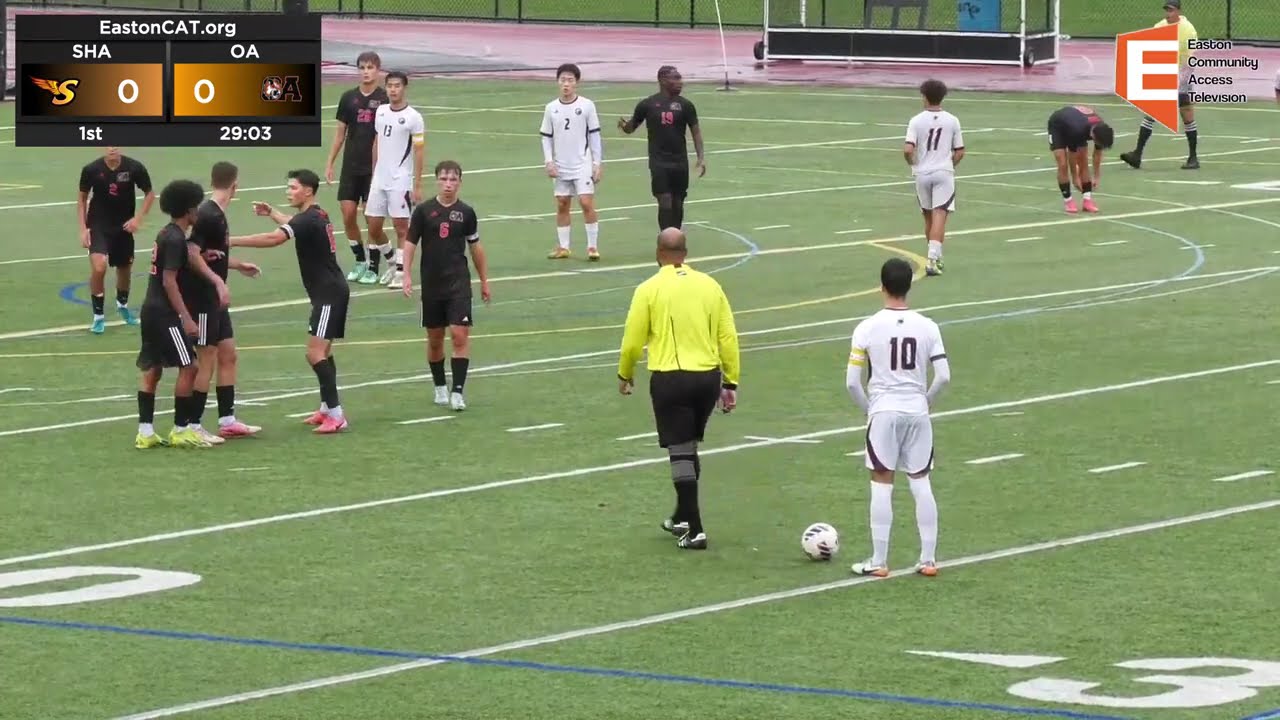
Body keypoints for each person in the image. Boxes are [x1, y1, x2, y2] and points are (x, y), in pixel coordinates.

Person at [616, 228, 740, 551]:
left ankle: (695, 529)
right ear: (686, 254)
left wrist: (625, 373)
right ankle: (681, 516)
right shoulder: (711, 285)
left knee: (680, 450)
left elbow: (632, 339)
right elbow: (728, 336)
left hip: (671, 377)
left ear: (658, 253)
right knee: (689, 445)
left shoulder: (649, 289)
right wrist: (730, 382)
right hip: (707, 379)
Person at [846, 258, 950, 578]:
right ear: (909, 286)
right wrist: (925, 401)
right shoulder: (928, 326)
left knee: (882, 481)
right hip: (917, 410)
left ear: (882, 287)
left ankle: (879, 560)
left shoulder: (866, 327)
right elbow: (943, 376)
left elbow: (852, 382)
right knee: (920, 480)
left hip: (884, 411)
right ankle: (928, 559)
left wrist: (870, 409)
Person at [230, 170, 351, 434]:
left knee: (314, 353)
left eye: (293, 187)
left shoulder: (308, 219)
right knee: (324, 352)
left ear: (308, 191)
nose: (288, 191)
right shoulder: (316, 214)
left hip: (329, 294)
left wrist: (230, 241)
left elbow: (275, 239)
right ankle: (326, 409)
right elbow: (294, 222)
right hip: (330, 291)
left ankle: (337, 414)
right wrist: (273, 213)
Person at [135, 179, 229, 450]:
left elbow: (173, 264)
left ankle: (146, 431)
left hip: (149, 310)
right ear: (188, 210)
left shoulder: (166, 234)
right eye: (195, 208)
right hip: (164, 313)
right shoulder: (176, 239)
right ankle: (180, 428)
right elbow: (168, 280)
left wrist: (203, 256)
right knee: (190, 366)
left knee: (153, 369)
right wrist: (186, 318)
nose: (197, 212)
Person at [401, 160, 491, 411]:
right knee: (435, 340)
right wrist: (405, 274)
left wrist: (484, 281)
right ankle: (439, 385)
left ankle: (458, 391)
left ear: (460, 182)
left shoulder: (467, 213)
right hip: (431, 284)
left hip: (458, 283)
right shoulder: (423, 211)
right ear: (437, 180)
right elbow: (409, 244)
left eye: (453, 180)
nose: (448, 184)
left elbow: (476, 248)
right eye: (444, 179)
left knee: (460, 334)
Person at [183, 161, 262, 444]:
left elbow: (211, 254)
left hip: (216, 299)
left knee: (229, 354)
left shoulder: (217, 214)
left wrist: (237, 265)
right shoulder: (208, 215)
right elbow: (192, 253)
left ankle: (227, 420)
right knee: (207, 360)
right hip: (204, 298)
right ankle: (192, 425)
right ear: (235, 185)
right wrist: (217, 282)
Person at [325, 51, 391, 284]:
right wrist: (330, 162)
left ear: (378, 70)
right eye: (362, 67)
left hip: (374, 169)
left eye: (370, 67)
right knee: (348, 215)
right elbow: (340, 133)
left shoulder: (385, 99)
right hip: (350, 167)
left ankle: (374, 266)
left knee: (370, 219)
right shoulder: (348, 98)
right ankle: (360, 260)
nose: (366, 72)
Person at [617, 66, 705, 231]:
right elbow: (632, 127)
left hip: (680, 162)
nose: (680, 82)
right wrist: (624, 126)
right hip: (659, 162)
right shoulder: (648, 104)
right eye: (676, 78)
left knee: (678, 202)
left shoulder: (686, 105)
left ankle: (675, 235)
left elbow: (696, 132)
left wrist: (701, 157)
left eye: (680, 78)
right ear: (663, 80)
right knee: (664, 200)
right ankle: (665, 236)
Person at [77, 147, 154, 334]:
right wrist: (83, 229)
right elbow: (82, 198)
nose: (112, 148)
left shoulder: (134, 168)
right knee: (99, 267)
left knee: (124, 269)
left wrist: (138, 219)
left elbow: (150, 194)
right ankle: (98, 317)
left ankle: (122, 305)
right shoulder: (91, 170)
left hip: (123, 226)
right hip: (98, 225)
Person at [1120, 0, 1200, 171]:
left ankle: (1192, 157)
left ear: (1178, 11)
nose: (1168, 14)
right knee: (1152, 113)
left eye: (1171, 10)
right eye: (1166, 10)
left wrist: (1181, 81)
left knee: (1186, 114)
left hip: (1181, 75)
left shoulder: (1188, 30)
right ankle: (1138, 154)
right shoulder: (1160, 26)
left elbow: (1190, 59)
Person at [367, 70, 426, 290]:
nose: (393, 90)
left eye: (397, 86)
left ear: (404, 88)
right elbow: (377, 141)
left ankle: (402, 272)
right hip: (379, 180)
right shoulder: (381, 112)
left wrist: (417, 184)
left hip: (400, 180)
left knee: (402, 227)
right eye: (390, 86)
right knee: (373, 227)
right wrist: (374, 172)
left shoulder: (413, 117)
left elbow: (419, 151)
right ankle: (392, 262)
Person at [541, 63, 604, 261]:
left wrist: (597, 163)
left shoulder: (586, 106)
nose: (566, 84)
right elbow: (546, 137)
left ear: (576, 82)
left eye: (570, 80)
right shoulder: (551, 108)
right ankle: (563, 247)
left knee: (586, 202)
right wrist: (549, 161)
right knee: (562, 203)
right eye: (563, 80)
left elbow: (594, 136)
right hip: (561, 164)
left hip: (582, 162)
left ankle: (592, 247)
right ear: (557, 82)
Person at [904, 79, 965, 277]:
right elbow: (960, 151)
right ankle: (933, 259)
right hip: (943, 173)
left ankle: (933, 257)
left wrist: (913, 163)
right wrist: (949, 165)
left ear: (924, 96)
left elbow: (907, 149)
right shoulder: (953, 120)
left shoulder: (915, 120)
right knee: (940, 216)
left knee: (928, 216)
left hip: (922, 173)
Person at [1046, 105, 1114, 214]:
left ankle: (1087, 201)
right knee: (1062, 163)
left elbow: (1097, 154)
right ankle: (1068, 200)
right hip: (1058, 126)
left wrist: (1097, 176)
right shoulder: (1077, 130)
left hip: (1079, 124)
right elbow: (1072, 156)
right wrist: (1075, 177)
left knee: (1084, 161)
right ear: (1092, 135)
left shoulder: (1102, 130)